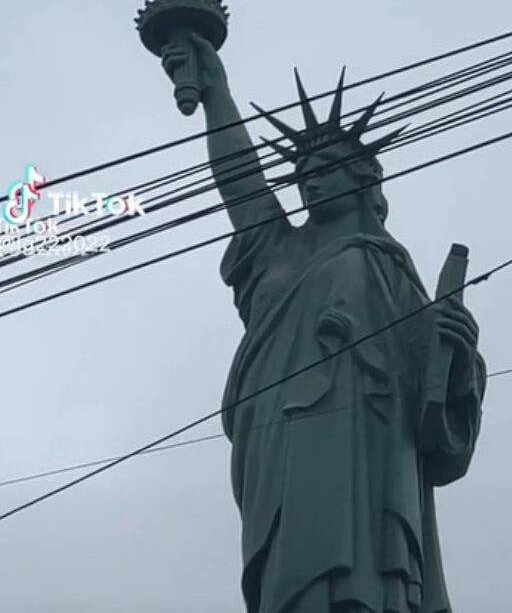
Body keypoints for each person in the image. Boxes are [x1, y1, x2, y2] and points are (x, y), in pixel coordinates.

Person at [160, 31, 485, 613]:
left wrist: (458, 359)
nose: (309, 179)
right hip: (282, 440)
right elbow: (241, 176)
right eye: (303, 170)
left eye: (326, 167)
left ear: (364, 180)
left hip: (370, 447)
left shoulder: (388, 266)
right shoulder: (277, 250)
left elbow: (430, 395)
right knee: (293, 575)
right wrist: (215, 88)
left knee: (365, 581)